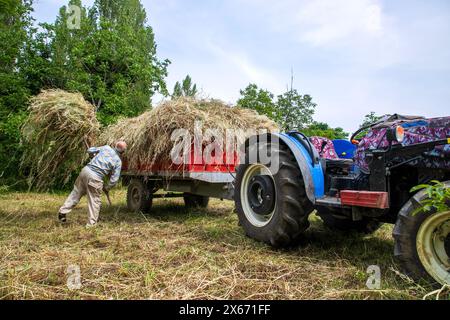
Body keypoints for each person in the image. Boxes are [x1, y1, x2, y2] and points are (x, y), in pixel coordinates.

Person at [58, 141, 127, 227]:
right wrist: (107, 187)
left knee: (76, 192)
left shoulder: (106, 148)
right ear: (123, 152)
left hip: (85, 171)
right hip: (95, 177)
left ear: (115, 146)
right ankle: (91, 224)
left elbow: (90, 150)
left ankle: (62, 211)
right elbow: (114, 180)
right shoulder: (117, 161)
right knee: (94, 201)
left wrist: (93, 155)